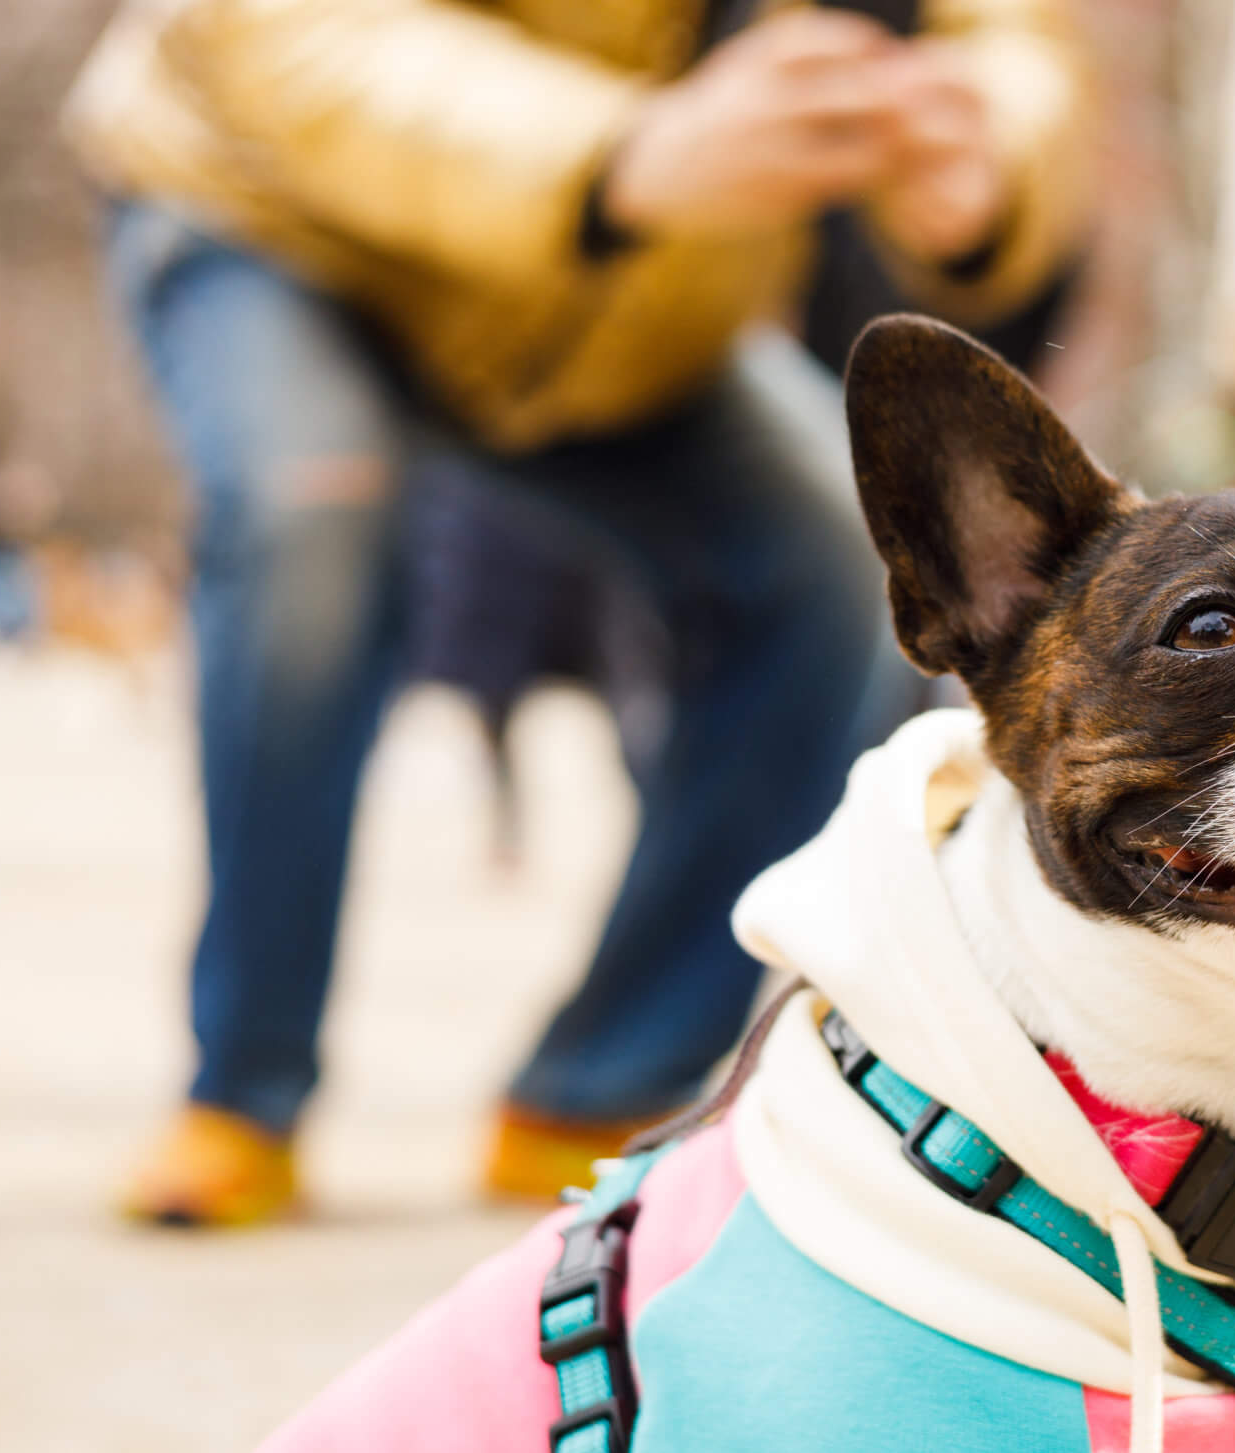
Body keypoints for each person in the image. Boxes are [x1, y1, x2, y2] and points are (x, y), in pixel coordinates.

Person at [63, 0, 1091, 1224]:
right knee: (311, 515)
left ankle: (603, 1086)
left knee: (839, 569)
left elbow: (1012, 38)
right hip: (286, 218)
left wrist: (981, 152)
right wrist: (629, 150)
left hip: (630, 293)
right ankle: (241, 1090)